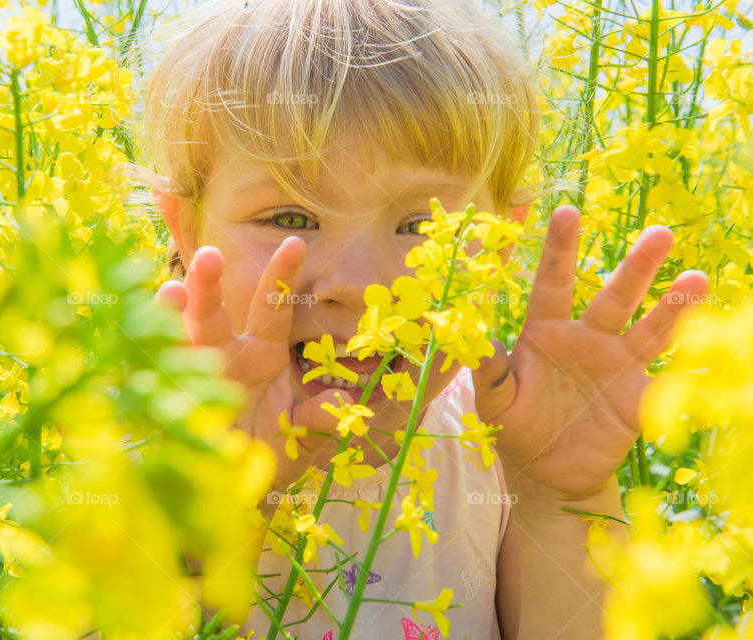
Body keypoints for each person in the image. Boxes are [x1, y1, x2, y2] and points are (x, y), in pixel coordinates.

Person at [140, 0, 710, 637]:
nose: (361, 288)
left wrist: (560, 500)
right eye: (291, 219)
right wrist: (215, 507)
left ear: (499, 248)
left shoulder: (500, 449)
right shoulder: (129, 441)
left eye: (419, 226)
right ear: (186, 230)